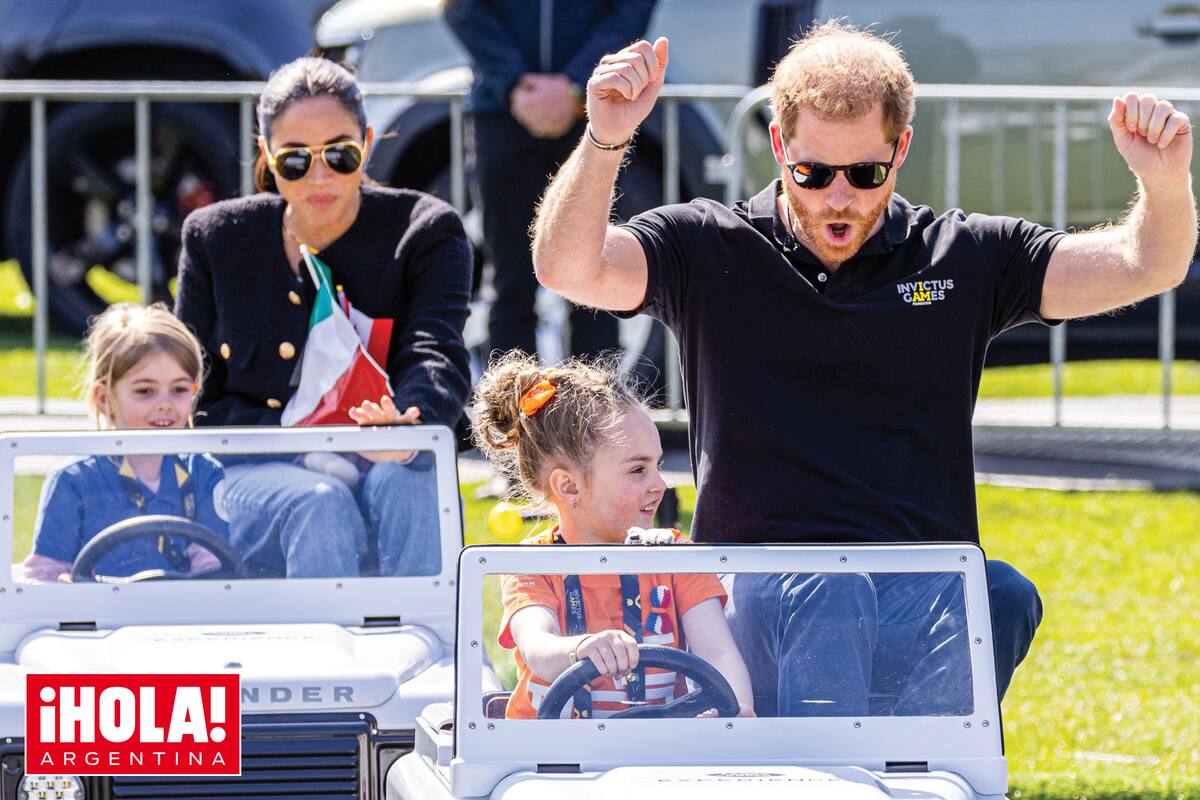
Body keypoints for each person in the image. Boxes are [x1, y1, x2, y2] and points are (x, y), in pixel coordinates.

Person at [528, 23, 1197, 713]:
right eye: (813, 173)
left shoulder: (961, 256)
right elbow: (566, 266)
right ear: (779, 146)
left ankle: (915, 769)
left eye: (866, 174)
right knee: (833, 587)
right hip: (758, 591)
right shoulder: (709, 245)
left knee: (1003, 594)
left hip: (918, 583)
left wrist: (1165, 183)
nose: (838, 198)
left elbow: (1146, 263)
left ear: (901, 148)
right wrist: (605, 139)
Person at [175, 57, 472, 579]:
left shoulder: (425, 230)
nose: (319, 176)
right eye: (294, 159)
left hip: (384, 449)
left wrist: (409, 425)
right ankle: (323, 657)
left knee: (410, 479)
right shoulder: (215, 237)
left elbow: (434, 350)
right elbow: (190, 388)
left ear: (369, 143)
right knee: (320, 501)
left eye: (340, 153)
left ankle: (431, 647)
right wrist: (303, 441)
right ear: (266, 155)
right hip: (252, 466)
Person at [472, 352, 754, 719]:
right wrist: (581, 649)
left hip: (659, 754)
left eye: (658, 466)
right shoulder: (533, 566)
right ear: (569, 486)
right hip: (550, 761)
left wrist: (737, 711)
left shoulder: (675, 557)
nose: (660, 485)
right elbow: (538, 649)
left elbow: (717, 652)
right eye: (638, 470)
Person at [444, 0, 656, 360]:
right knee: (510, 281)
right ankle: (510, 412)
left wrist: (577, 85)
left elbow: (631, 9)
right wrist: (513, 83)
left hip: (592, 111)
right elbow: (460, 8)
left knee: (594, 276)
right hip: (500, 112)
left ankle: (596, 414)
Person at [21, 303, 229, 583]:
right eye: (146, 391)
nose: (165, 404)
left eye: (179, 389)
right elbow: (44, 579)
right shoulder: (73, 481)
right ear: (105, 398)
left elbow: (214, 573)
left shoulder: (204, 473)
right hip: (101, 623)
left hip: (182, 621)